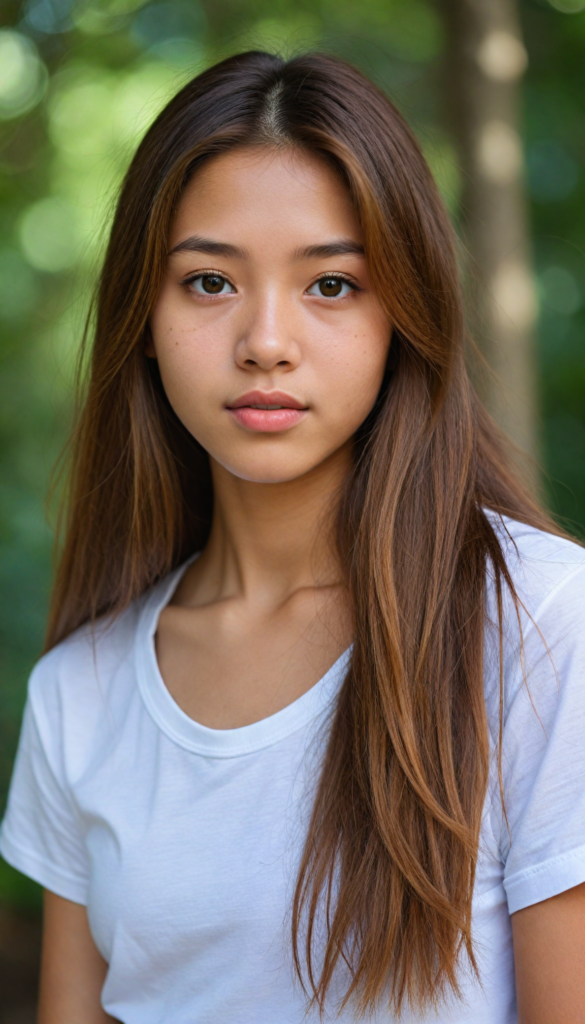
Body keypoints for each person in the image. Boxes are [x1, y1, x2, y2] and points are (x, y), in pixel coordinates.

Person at [1, 49, 585, 1024]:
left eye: (331, 285)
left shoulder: (540, 624)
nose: (265, 342)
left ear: (405, 311)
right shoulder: (82, 691)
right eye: (208, 281)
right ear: (142, 313)